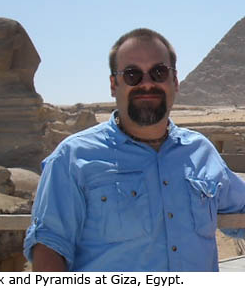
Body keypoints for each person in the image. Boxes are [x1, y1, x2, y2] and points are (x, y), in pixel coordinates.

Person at [23, 28, 245, 271]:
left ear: (175, 81)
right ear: (113, 84)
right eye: (132, 75)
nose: (147, 83)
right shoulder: (72, 158)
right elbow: (48, 248)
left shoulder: (201, 152)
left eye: (159, 72)